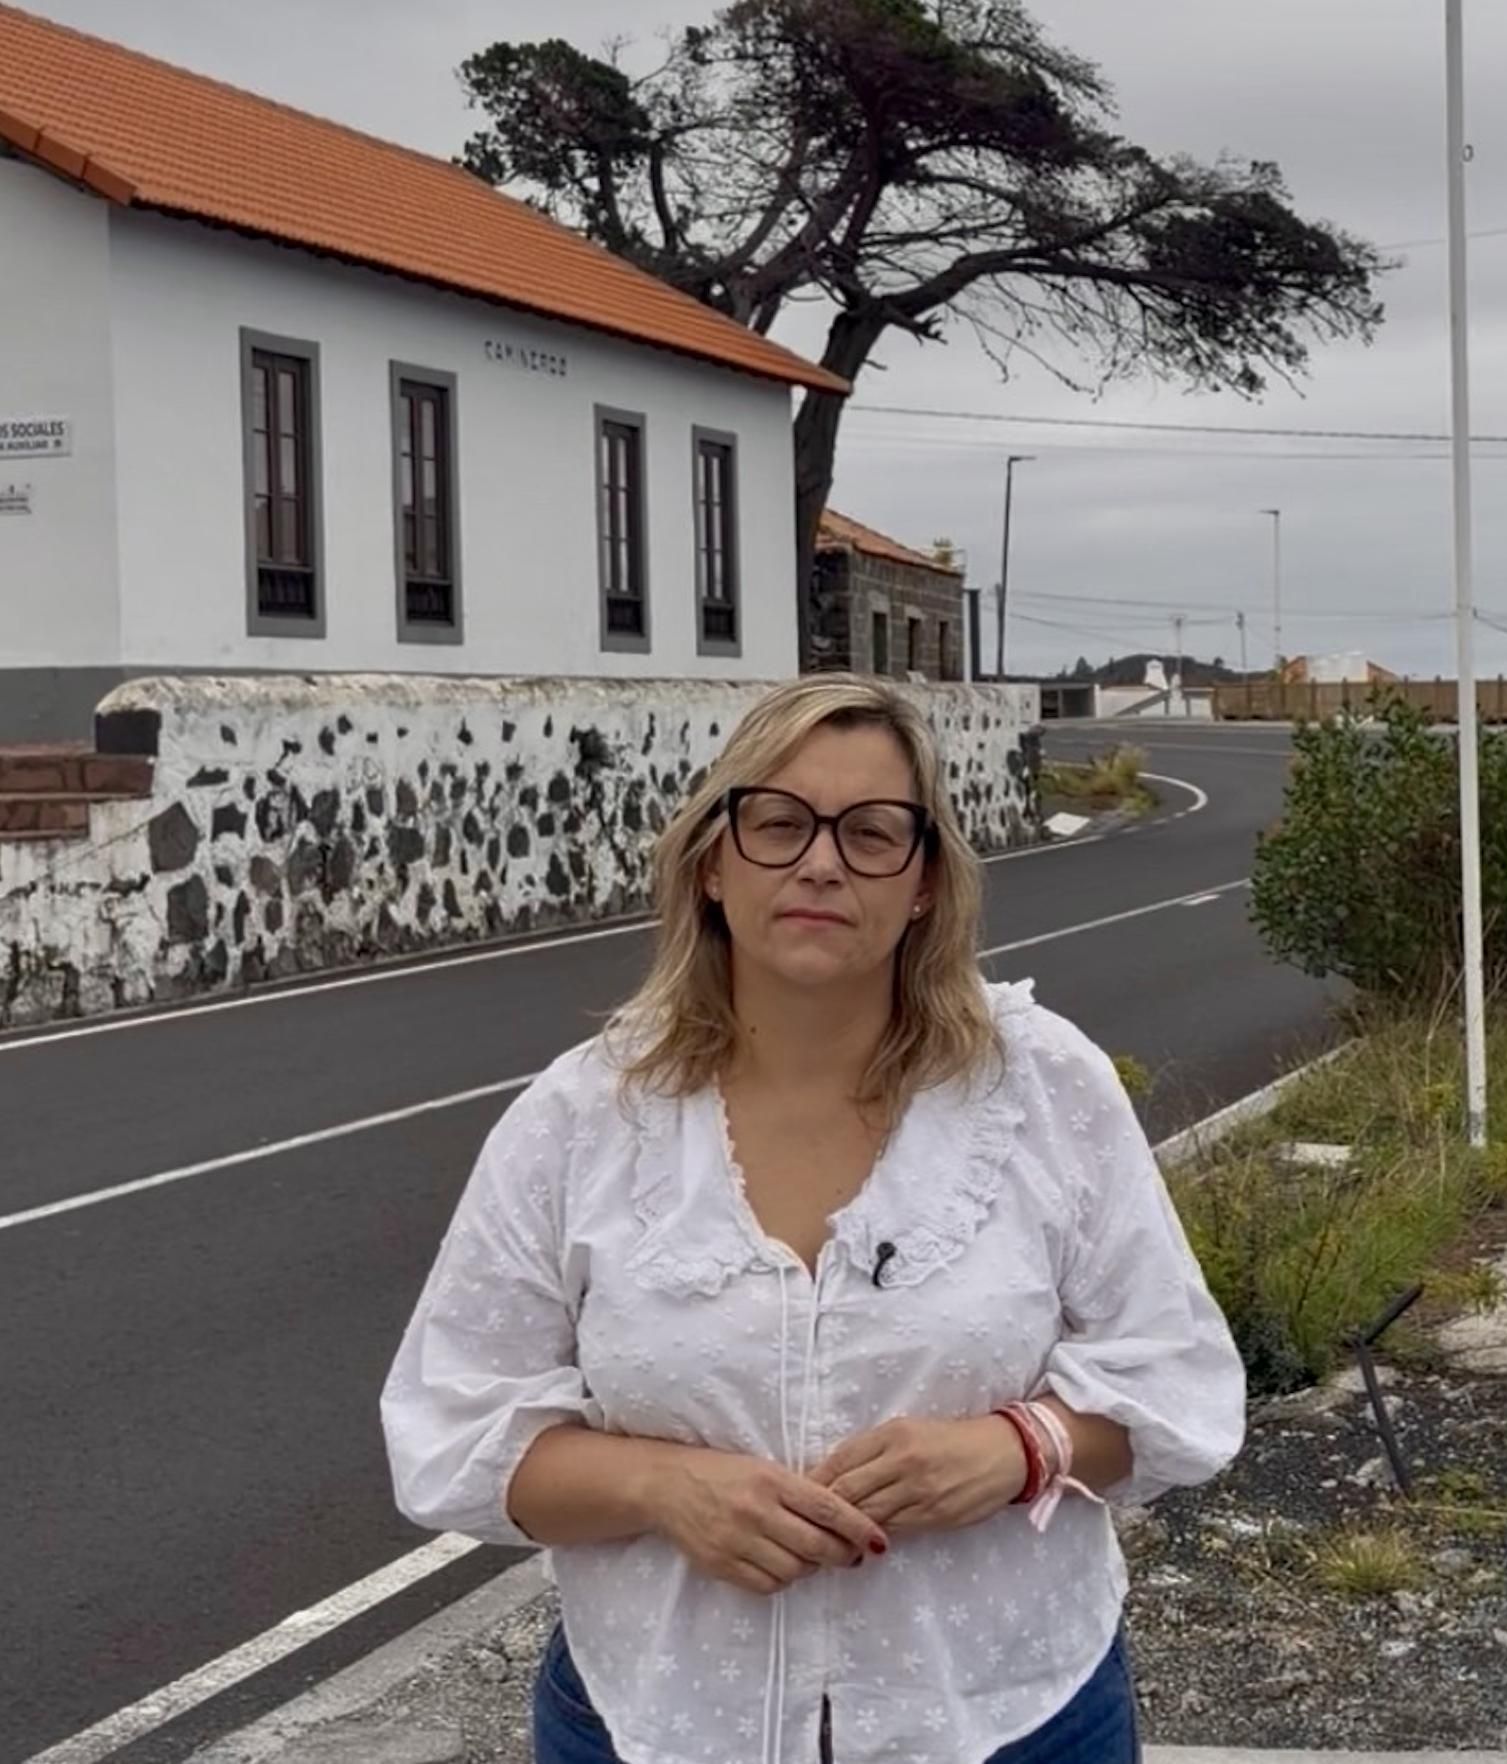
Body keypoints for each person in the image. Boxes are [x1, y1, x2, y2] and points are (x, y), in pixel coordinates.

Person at [382, 674, 1244, 1764]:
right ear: (712, 861)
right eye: (779, 823)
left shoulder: (1041, 1088)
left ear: (925, 880)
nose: (822, 861)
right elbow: (451, 1428)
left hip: (1008, 1715)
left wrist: (1018, 1448)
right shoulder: (580, 1120)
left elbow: (1182, 1379)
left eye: (873, 832)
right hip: (661, 1726)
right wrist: (661, 1485)